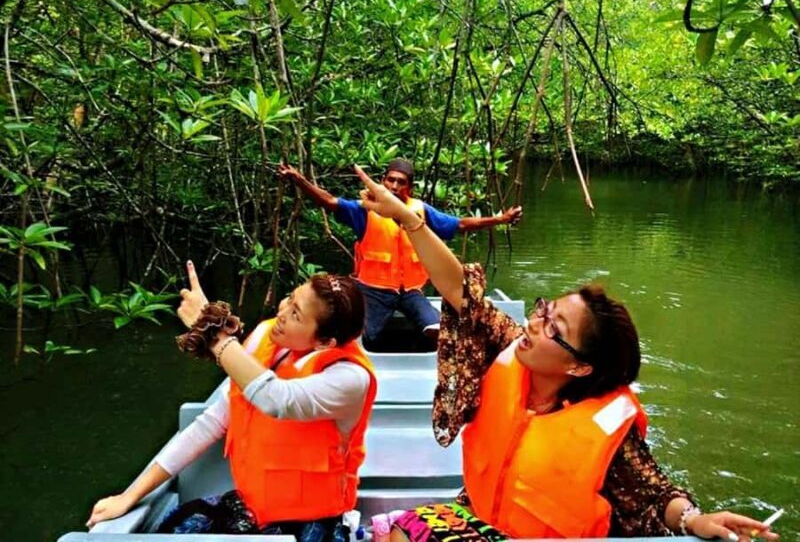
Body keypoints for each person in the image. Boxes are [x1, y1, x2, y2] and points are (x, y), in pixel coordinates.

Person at [353, 165, 779, 542]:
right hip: (483, 515)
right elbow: (458, 290)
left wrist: (695, 519)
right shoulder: (515, 347)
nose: (534, 323)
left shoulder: (606, 424)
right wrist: (407, 217)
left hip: (543, 538)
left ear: (579, 365)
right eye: (544, 310)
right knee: (399, 531)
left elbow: (656, 494)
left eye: (553, 327)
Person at [87, 261, 377, 540]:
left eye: (296, 315)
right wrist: (130, 495)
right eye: (290, 298)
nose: (282, 312)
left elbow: (277, 399)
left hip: (310, 523)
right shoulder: (267, 338)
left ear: (325, 342)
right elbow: (213, 422)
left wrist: (210, 331)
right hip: (251, 508)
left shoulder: (350, 378)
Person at [279, 159, 522, 349]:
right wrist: (299, 180)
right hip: (372, 290)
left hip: (411, 292)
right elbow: (330, 202)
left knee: (438, 329)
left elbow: (459, 224)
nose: (394, 186)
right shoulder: (365, 209)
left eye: (401, 182)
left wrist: (499, 219)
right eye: (390, 180)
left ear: (410, 187)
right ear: (382, 181)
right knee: (362, 336)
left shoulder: (420, 211)